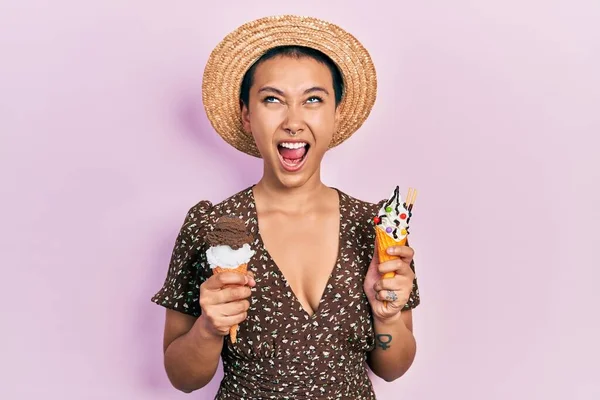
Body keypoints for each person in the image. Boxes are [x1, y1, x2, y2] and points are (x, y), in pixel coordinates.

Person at [151, 15, 420, 399]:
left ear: (336, 113)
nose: (293, 121)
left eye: (313, 99)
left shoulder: (377, 227)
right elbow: (182, 377)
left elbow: (393, 368)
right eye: (272, 100)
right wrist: (208, 329)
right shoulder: (213, 226)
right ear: (247, 115)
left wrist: (387, 314)